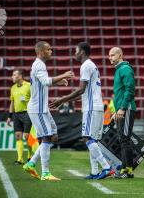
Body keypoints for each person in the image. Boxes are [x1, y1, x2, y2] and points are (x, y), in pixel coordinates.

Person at [50, 42, 113, 180]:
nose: (74, 53)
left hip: (91, 107)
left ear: (82, 52)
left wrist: (62, 99)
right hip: (96, 106)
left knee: (88, 138)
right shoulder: (91, 65)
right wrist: (66, 99)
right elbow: (83, 92)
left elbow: (80, 89)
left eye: (76, 51)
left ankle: (106, 167)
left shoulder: (85, 66)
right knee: (93, 140)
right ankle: (95, 172)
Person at [23, 41, 74, 181]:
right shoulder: (39, 64)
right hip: (38, 109)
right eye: (48, 49)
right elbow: (46, 81)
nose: (51, 51)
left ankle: (31, 163)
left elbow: (43, 82)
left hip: (42, 109)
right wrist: (63, 75)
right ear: (40, 52)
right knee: (46, 137)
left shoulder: (39, 64)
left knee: (53, 135)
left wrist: (58, 81)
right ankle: (45, 173)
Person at [109, 47, 136, 179]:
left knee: (125, 139)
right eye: (109, 56)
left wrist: (122, 108)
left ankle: (128, 170)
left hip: (127, 109)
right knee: (122, 139)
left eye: (113, 55)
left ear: (120, 55)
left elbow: (130, 90)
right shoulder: (119, 70)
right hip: (122, 110)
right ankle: (125, 168)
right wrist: (117, 111)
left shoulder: (125, 69)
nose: (110, 58)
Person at [6, 69, 32, 165]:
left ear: (20, 76)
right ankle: (20, 159)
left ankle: (30, 156)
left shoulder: (29, 86)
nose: (12, 77)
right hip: (16, 115)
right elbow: (12, 102)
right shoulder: (13, 88)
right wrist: (9, 116)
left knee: (27, 136)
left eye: (14, 75)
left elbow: (35, 99)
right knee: (18, 136)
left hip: (27, 113)